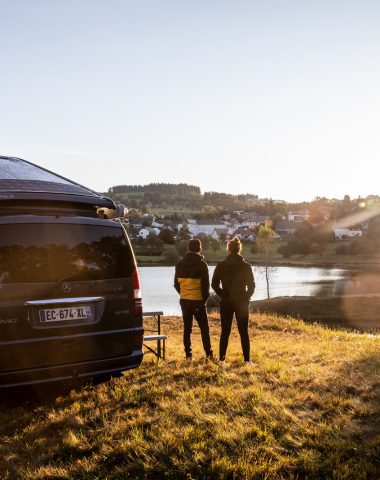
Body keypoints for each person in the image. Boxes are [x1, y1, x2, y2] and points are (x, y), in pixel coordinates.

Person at [211, 236, 255, 364]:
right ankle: (247, 361)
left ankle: (222, 360)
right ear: (239, 249)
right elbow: (252, 286)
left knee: (225, 331)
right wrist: (246, 297)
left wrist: (223, 294)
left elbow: (214, 284)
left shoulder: (221, 265)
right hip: (241, 301)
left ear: (228, 250)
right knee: (243, 332)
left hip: (226, 301)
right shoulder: (246, 266)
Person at [174, 238, 214, 361]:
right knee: (204, 329)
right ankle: (209, 354)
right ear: (199, 248)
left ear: (189, 248)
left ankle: (188, 355)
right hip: (198, 301)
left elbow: (176, 284)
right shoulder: (202, 265)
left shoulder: (180, 264)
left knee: (187, 328)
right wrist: (203, 300)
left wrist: (184, 294)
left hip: (184, 301)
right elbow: (206, 286)